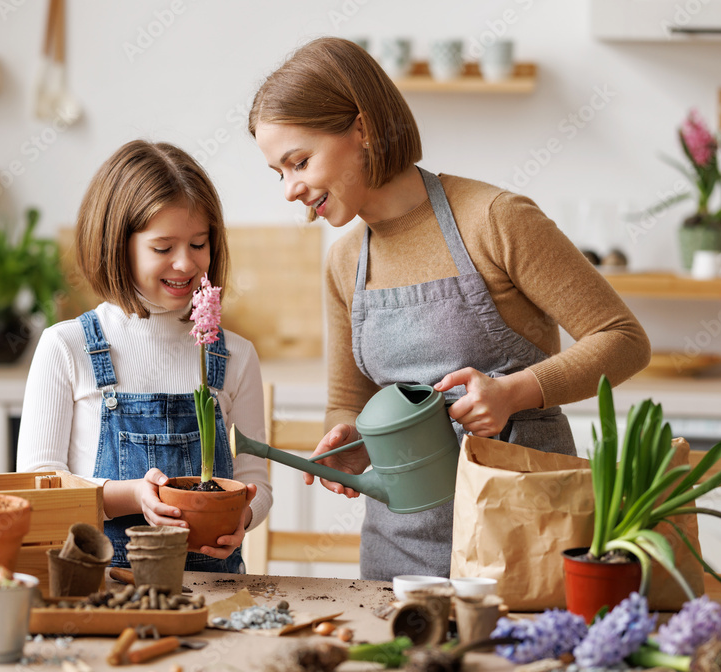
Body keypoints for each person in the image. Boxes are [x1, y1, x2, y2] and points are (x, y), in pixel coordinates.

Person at [248, 37, 650, 581]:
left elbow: (623, 338)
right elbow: (348, 398)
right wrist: (349, 440)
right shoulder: (344, 263)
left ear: (361, 129)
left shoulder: (495, 219)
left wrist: (512, 393)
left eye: (299, 161)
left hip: (522, 531)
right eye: (280, 172)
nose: (291, 189)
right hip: (400, 548)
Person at [17, 140, 271, 573]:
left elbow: (256, 482)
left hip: (213, 593)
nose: (185, 264)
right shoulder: (66, 347)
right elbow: (41, 487)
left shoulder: (235, 355)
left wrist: (242, 518)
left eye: (198, 243)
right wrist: (131, 496)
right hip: (101, 591)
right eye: (162, 248)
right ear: (119, 245)